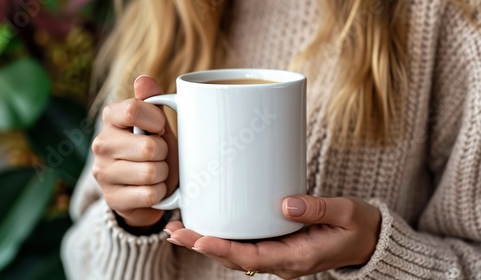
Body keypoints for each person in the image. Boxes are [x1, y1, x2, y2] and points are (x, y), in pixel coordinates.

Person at [61, 0, 481, 279]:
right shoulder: (163, 14)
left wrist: (376, 253)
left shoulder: (441, 16)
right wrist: (135, 221)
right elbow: (80, 261)